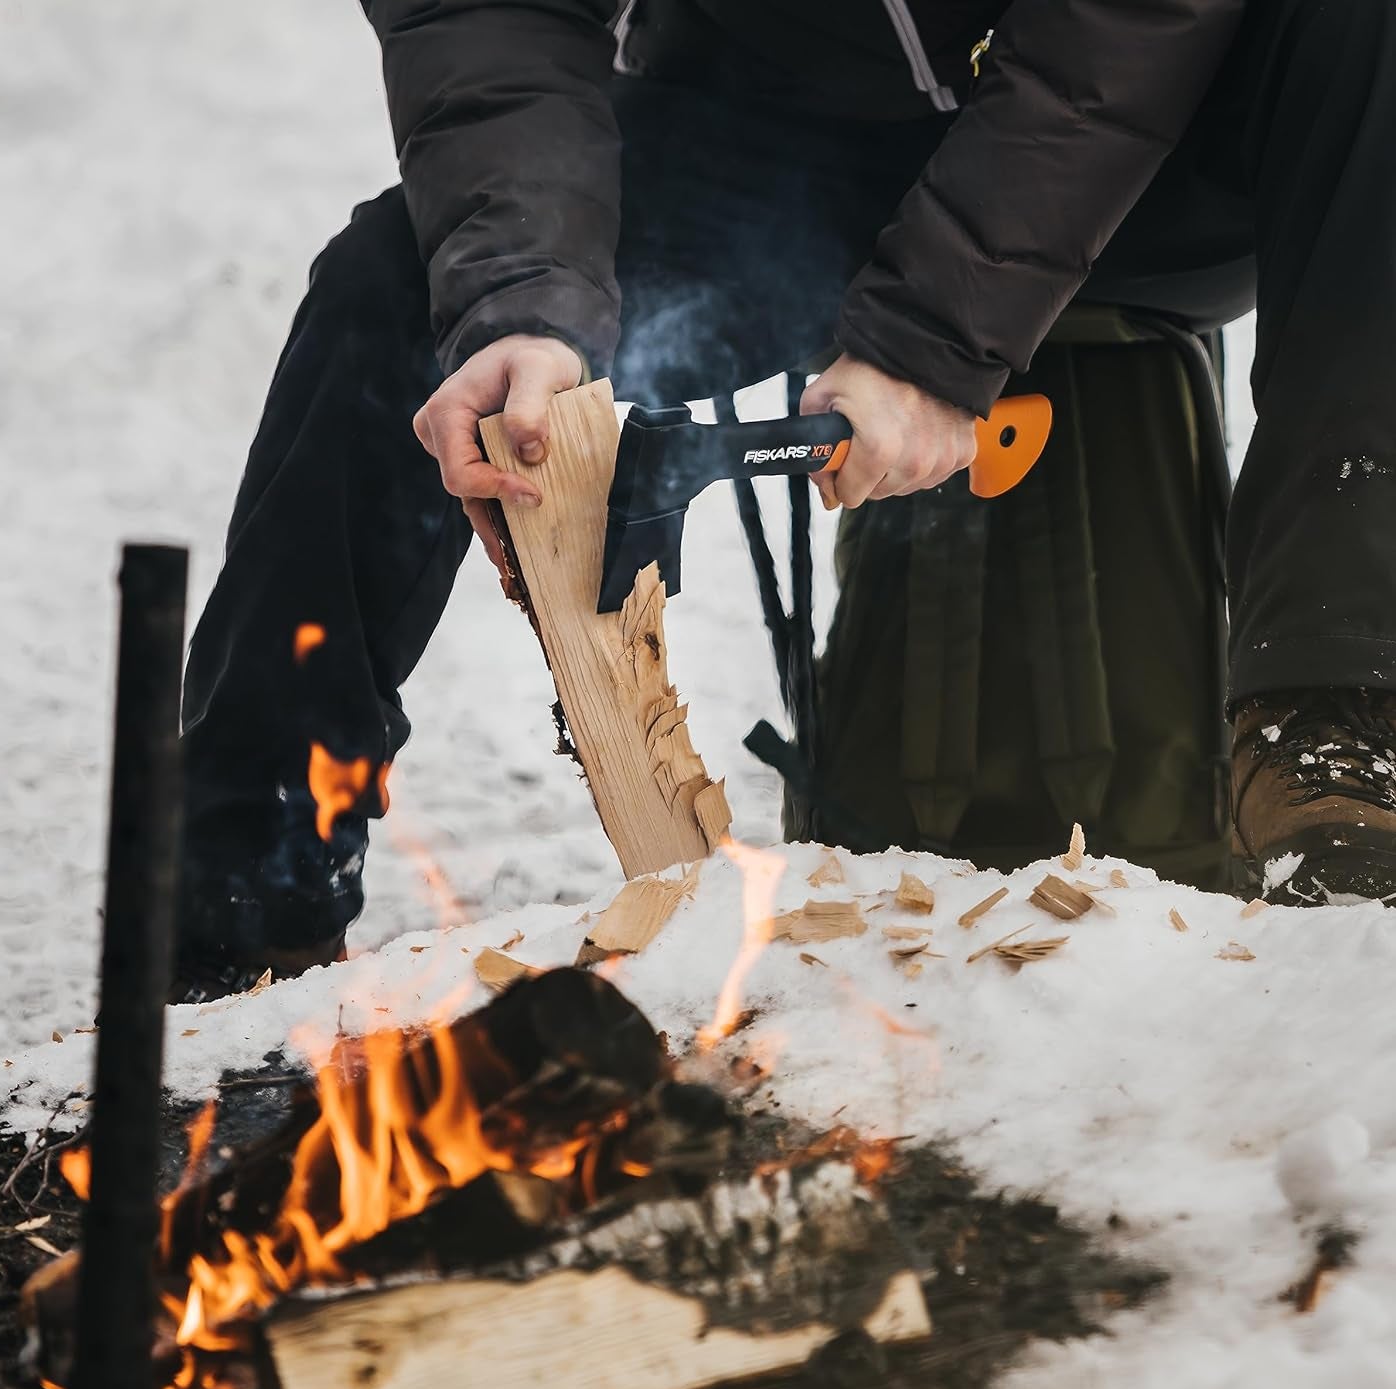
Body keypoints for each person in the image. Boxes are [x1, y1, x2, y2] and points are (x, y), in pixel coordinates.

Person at [172, 0, 1396, 1002]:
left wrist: (931, 337)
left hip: (1172, 130)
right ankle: (244, 910)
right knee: (395, 288)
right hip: (790, 153)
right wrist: (527, 302)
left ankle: (1339, 728)